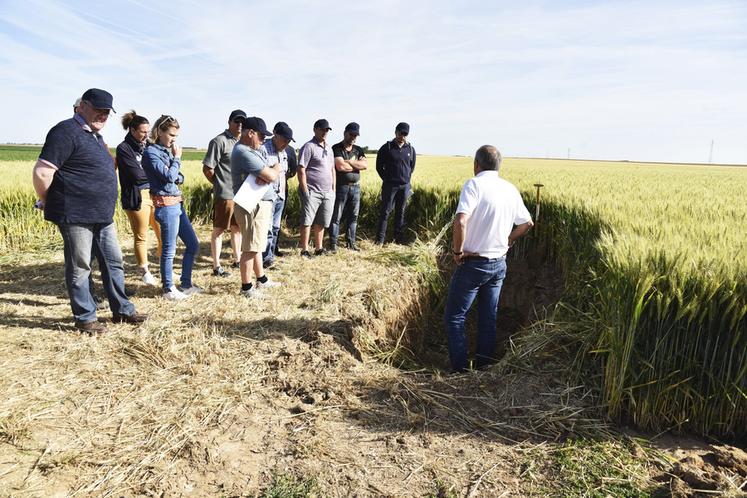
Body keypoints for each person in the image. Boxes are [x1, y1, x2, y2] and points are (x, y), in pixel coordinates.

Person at [32, 88, 147, 334]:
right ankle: (85, 317)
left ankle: (122, 310)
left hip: (102, 214)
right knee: (80, 266)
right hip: (76, 214)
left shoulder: (95, 136)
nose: (103, 116)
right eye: (98, 110)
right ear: (82, 106)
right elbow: (42, 172)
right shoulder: (65, 131)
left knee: (114, 262)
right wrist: (48, 200)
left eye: (107, 112)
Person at [444, 145, 534, 372]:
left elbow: (461, 221)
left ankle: (460, 370)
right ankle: (484, 366)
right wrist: (508, 240)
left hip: (473, 264)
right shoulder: (509, 189)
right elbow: (527, 223)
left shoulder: (474, 184)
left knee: (454, 318)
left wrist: (457, 252)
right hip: (498, 264)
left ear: (476, 165)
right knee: (488, 317)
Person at [142, 115, 201, 300]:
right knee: (169, 249)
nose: (174, 140)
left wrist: (174, 170)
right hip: (166, 206)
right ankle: (168, 289)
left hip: (177, 204)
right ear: (159, 132)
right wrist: (176, 159)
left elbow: (178, 177)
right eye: (171, 135)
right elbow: (169, 177)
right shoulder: (151, 153)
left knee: (192, 244)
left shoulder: (166, 152)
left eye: (176, 136)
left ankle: (185, 283)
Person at [231, 117, 282, 298]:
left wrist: (269, 173)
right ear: (250, 132)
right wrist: (272, 171)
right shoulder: (243, 152)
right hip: (252, 205)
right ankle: (246, 288)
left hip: (258, 203)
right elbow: (271, 173)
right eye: (260, 136)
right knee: (250, 247)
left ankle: (261, 279)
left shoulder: (252, 149)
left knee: (257, 245)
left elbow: (267, 171)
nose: (263, 140)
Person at [116, 111, 162, 285]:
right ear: (133, 130)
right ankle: (145, 271)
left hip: (154, 194)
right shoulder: (124, 148)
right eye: (143, 131)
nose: (146, 135)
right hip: (137, 196)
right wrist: (158, 174)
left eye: (147, 131)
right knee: (141, 235)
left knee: (162, 232)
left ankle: (164, 268)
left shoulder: (150, 145)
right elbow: (137, 175)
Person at [203, 110, 245, 277]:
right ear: (229, 122)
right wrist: (219, 184)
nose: (240, 124)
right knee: (219, 230)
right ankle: (216, 266)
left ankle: (237, 259)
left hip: (241, 194)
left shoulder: (243, 142)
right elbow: (207, 168)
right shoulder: (219, 141)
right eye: (237, 121)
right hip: (225, 194)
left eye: (242, 122)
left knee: (237, 228)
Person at [297, 119, 335, 257]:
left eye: (327, 130)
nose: (325, 132)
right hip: (312, 190)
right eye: (322, 129)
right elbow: (301, 169)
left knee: (322, 222)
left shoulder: (329, 148)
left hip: (327, 192)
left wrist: (333, 190)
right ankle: (304, 250)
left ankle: (319, 248)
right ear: (315, 129)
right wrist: (305, 190)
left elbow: (332, 170)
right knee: (307, 221)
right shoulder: (309, 147)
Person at [375, 122, 416, 245]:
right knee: (385, 212)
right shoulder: (386, 147)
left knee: (400, 212)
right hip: (390, 186)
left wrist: (405, 180)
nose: (402, 136)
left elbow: (411, 167)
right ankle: (380, 240)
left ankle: (398, 240)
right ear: (395, 132)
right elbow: (378, 167)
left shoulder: (410, 149)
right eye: (400, 133)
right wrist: (387, 179)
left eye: (405, 134)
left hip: (404, 187)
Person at [329, 122, 367, 252]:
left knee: (354, 216)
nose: (353, 137)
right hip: (341, 187)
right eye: (351, 134)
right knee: (336, 216)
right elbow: (340, 166)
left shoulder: (358, 149)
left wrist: (350, 162)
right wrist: (356, 165)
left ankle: (351, 242)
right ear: (345, 133)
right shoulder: (337, 148)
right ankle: (333, 244)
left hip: (356, 187)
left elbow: (365, 165)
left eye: (356, 135)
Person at [261, 122, 295, 268]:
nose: (286, 143)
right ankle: (264, 258)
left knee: (275, 228)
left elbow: (287, 173)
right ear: (276, 135)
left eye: (288, 141)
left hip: (280, 194)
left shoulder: (284, 152)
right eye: (284, 140)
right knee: (266, 229)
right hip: (267, 196)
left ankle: (270, 255)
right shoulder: (264, 149)